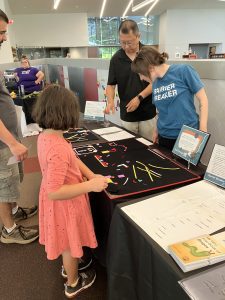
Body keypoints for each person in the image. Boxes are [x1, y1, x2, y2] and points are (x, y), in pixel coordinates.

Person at [33, 84, 108, 298]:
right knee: (68, 244)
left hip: (63, 202)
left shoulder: (48, 136)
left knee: (67, 242)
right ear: (66, 113)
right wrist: (90, 185)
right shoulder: (56, 147)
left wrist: (91, 174)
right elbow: (54, 191)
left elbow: (73, 158)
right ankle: (73, 282)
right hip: (65, 204)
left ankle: (70, 267)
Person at [0, 9, 39, 244]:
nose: (4, 38)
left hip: (8, 138)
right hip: (3, 142)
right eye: (1, 33)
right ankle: (9, 230)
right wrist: (12, 142)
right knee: (5, 185)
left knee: (14, 180)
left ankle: (14, 213)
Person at [131, 46, 208, 150]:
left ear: (150, 68)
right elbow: (161, 109)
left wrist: (203, 130)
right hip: (164, 136)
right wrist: (156, 130)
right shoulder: (155, 83)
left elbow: (203, 100)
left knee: (185, 166)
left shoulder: (183, 71)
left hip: (187, 135)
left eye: (141, 74)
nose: (141, 78)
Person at [105, 20, 156, 140]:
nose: (126, 47)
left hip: (148, 114)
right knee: (129, 150)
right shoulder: (116, 59)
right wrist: (110, 102)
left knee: (149, 149)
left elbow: (156, 82)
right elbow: (111, 85)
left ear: (138, 36)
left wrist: (139, 98)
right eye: (123, 43)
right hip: (127, 115)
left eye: (130, 42)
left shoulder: (149, 54)